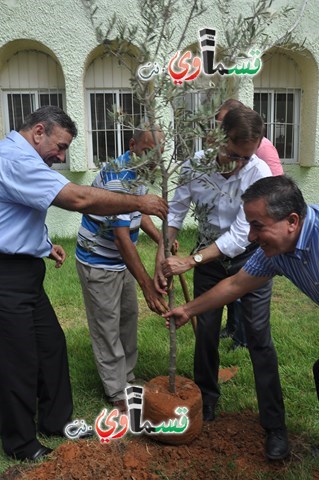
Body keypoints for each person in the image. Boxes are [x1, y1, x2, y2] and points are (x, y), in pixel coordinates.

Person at [0, 106, 167, 462]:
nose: (61, 157)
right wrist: (141, 203)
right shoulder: (15, 158)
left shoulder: (23, 158)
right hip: (6, 276)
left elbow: (14, 214)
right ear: (39, 131)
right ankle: (20, 444)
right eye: (59, 147)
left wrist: (44, 246)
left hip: (24, 271)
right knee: (18, 360)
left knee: (51, 346)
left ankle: (56, 421)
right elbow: (79, 199)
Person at [155, 105, 289, 461]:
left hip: (252, 258)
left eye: (246, 158)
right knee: (207, 332)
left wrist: (192, 260)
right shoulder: (194, 166)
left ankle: (274, 425)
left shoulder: (258, 172)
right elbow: (178, 208)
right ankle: (208, 399)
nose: (239, 164)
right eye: (233, 155)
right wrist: (168, 240)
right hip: (208, 260)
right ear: (217, 139)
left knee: (259, 338)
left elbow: (243, 233)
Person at [163, 175, 317, 459]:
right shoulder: (272, 252)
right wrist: (188, 309)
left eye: (257, 226)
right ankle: (276, 429)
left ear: (292, 221)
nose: (250, 237)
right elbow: (235, 284)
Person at [76, 125, 168, 412]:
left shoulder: (139, 170)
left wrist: (160, 237)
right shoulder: (121, 176)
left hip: (119, 260)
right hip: (98, 261)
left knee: (127, 318)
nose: (154, 158)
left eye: (159, 152)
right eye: (148, 150)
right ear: (133, 144)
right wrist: (147, 287)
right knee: (107, 326)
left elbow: (137, 212)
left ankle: (127, 376)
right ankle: (116, 390)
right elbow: (121, 236)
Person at [215, 98, 283, 347]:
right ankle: (234, 328)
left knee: (245, 286)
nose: (218, 126)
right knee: (232, 288)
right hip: (239, 222)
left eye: (222, 121)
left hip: (260, 223)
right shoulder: (233, 148)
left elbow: (274, 189)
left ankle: (243, 338)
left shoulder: (257, 152)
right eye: (218, 121)